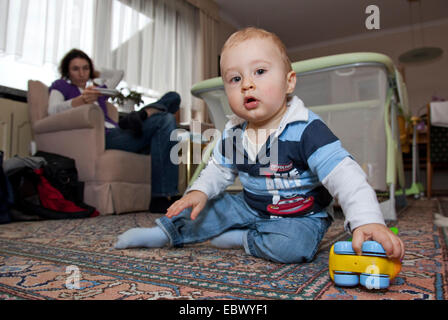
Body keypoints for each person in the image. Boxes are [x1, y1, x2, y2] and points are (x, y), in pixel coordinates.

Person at [115, 27, 405, 264]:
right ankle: (164, 234)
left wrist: (367, 220)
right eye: (235, 78)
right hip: (250, 204)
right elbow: (219, 169)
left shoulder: (306, 129)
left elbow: (346, 174)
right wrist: (200, 191)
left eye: (260, 72)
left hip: (301, 214)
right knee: (202, 207)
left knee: (294, 247)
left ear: (289, 82)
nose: (246, 85)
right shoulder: (234, 132)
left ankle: (244, 239)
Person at [48, 48, 180, 213]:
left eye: (85, 68)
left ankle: (143, 114)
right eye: (76, 69)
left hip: (125, 131)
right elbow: (52, 110)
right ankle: (163, 196)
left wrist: (94, 73)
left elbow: (118, 73)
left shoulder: (98, 91)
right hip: (109, 137)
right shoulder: (61, 86)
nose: (81, 73)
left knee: (174, 97)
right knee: (166, 119)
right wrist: (80, 100)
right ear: (67, 71)